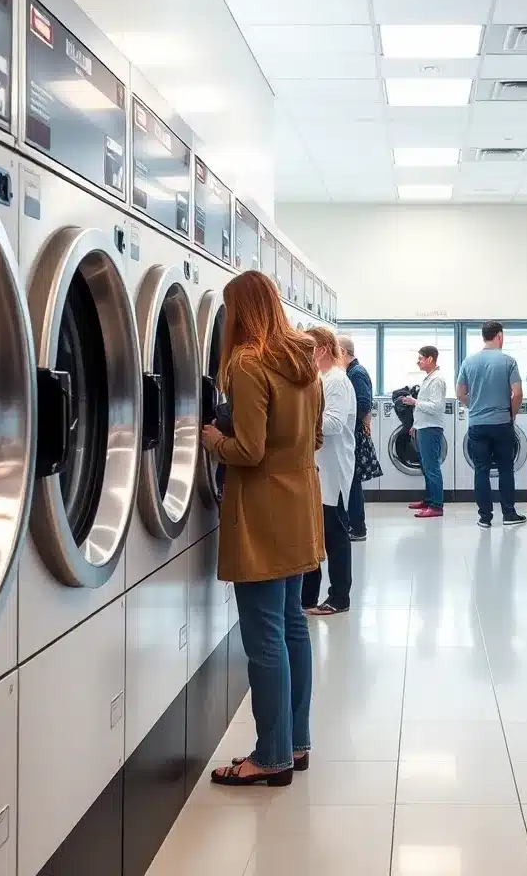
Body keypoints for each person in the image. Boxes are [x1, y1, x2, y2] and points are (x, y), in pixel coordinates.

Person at [199, 270, 323, 788]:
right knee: (292, 624)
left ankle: (269, 756)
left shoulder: (248, 363)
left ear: (240, 314)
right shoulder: (305, 362)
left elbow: (248, 450)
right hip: (300, 504)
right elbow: (312, 438)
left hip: (263, 512)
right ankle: (295, 742)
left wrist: (211, 438)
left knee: (264, 636)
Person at [302, 326, 357, 616]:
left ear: (321, 349)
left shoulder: (336, 380)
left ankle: (339, 598)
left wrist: (299, 416)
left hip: (332, 469)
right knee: (314, 534)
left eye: (307, 347)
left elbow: (334, 424)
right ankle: (308, 595)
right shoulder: (321, 378)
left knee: (334, 534)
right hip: (317, 468)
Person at [456, 321, 526, 529]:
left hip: (477, 424)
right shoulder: (508, 361)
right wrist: (511, 414)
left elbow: (460, 393)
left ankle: (485, 517)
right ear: (500, 336)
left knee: (481, 470)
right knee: (506, 468)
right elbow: (519, 393)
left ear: (483, 337)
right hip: (502, 422)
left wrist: (475, 406)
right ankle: (509, 514)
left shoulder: (468, 362)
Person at [337, 334, 381, 541]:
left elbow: (363, 403)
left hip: (353, 434)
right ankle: (354, 525)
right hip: (353, 431)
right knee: (351, 480)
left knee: (352, 480)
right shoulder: (352, 371)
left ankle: (357, 527)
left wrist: (345, 420)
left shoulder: (356, 373)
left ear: (343, 352)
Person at [402, 345, 447, 518]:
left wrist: (414, 402)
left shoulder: (437, 380)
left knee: (432, 467)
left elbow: (437, 407)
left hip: (431, 429)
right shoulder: (429, 378)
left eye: (420, 358)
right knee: (426, 467)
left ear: (430, 359)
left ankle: (436, 506)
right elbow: (426, 405)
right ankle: (428, 500)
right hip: (423, 427)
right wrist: (415, 424)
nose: (418, 362)